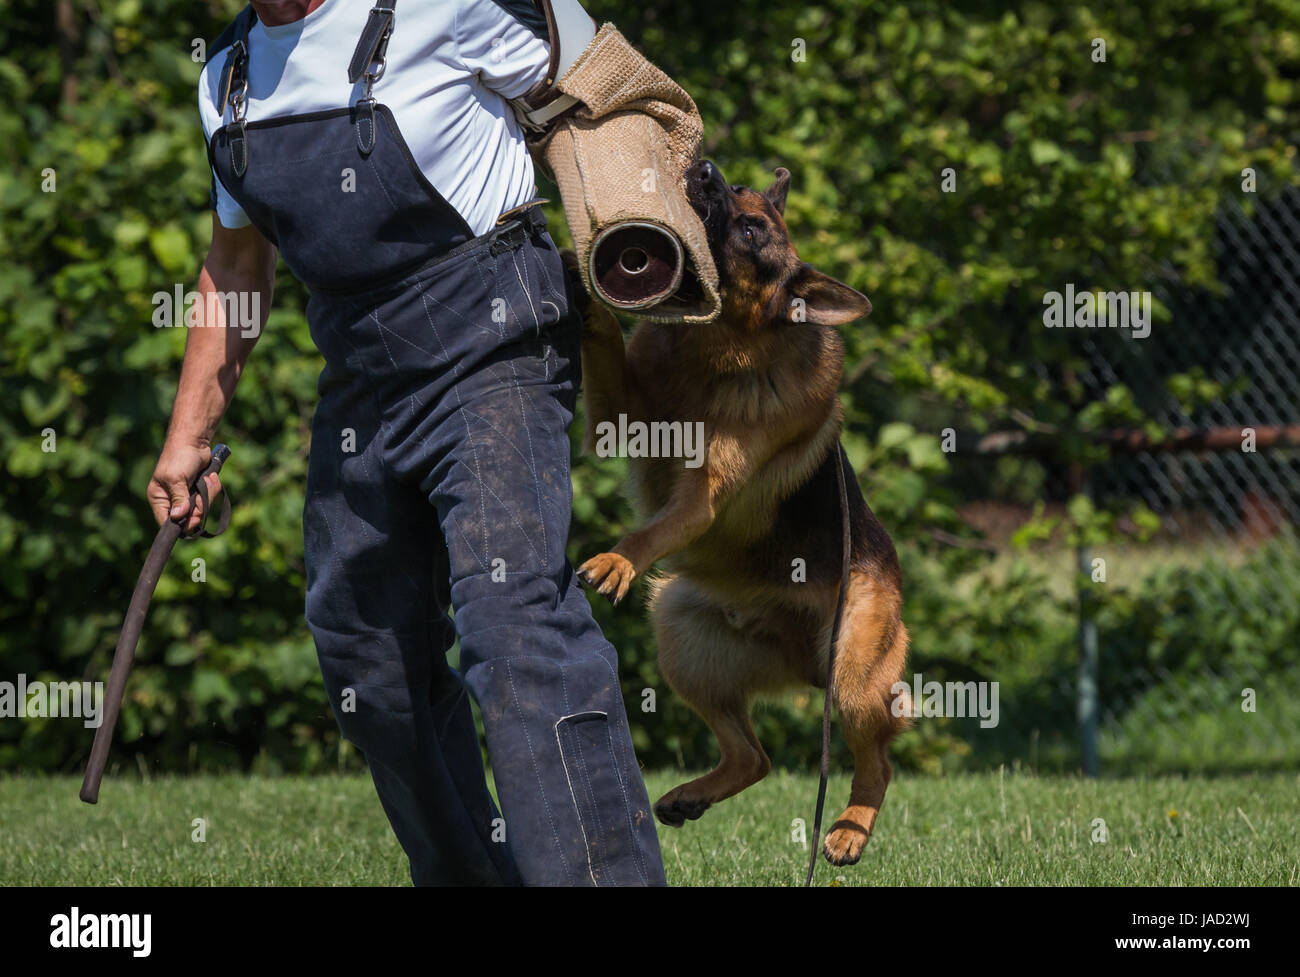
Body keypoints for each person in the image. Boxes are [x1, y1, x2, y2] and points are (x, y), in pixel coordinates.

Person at [148, 0, 666, 886]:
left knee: (511, 629)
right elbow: (236, 266)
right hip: (362, 374)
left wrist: (651, 223)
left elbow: (606, 89)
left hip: (493, 343)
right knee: (364, 654)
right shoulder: (228, 79)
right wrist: (188, 436)